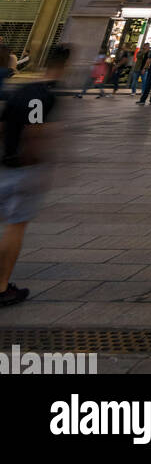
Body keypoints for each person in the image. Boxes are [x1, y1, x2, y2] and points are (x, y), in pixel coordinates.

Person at [0, 44, 70, 307]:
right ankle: (2, 287)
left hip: (5, 164)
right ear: (64, 66)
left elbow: (3, 127)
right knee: (15, 228)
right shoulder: (42, 95)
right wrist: (37, 167)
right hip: (23, 168)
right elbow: (35, 131)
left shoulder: (20, 90)